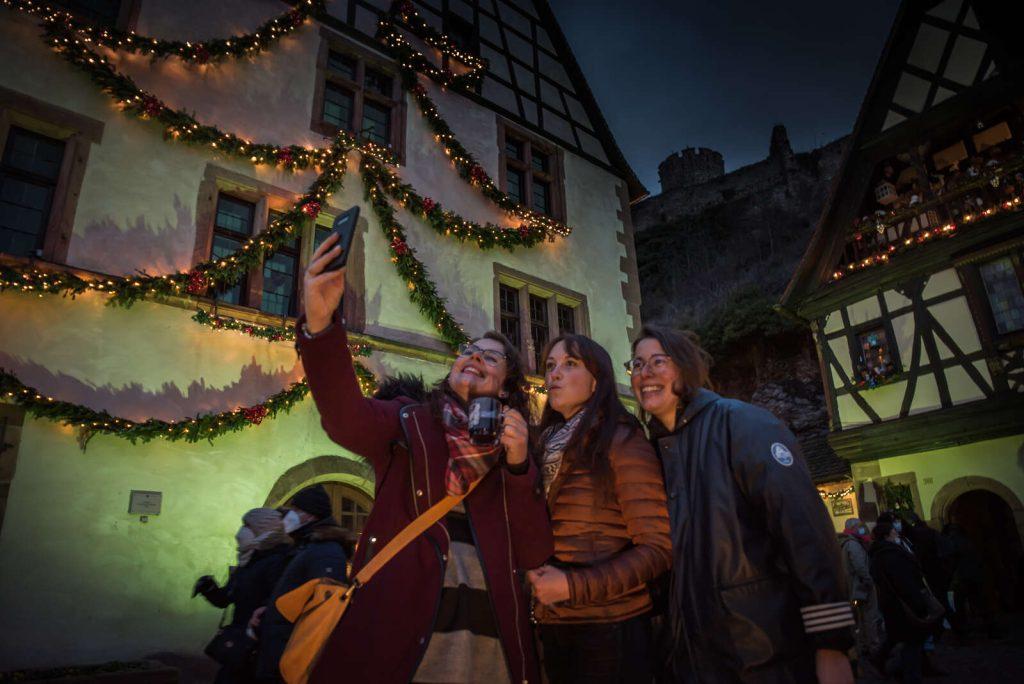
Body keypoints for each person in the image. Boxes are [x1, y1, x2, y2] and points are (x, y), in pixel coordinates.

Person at [290, 233, 554, 683]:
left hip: (490, 640)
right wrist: (320, 326)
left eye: (490, 356)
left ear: (507, 387)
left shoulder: (516, 454)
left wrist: (517, 466)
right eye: (468, 350)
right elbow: (346, 420)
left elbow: (535, 552)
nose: (473, 357)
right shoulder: (409, 422)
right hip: (403, 627)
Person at [628, 325, 855, 683]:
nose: (645, 373)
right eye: (637, 365)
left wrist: (832, 643)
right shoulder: (654, 451)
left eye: (659, 361)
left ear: (686, 367)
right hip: (694, 659)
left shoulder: (742, 424)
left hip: (762, 653)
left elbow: (804, 530)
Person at [527, 334, 672, 683]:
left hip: (611, 628)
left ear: (596, 382)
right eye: (550, 366)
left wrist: (574, 586)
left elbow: (658, 548)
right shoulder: (544, 444)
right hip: (555, 624)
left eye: (570, 364)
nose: (554, 375)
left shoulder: (621, 439)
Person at [255, 485, 350, 682]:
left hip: (288, 658)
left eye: (297, 510)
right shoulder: (307, 546)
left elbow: (322, 615)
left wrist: (293, 666)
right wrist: (268, 610)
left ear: (310, 515)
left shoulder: (326, 552)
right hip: (278, 650)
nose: (290, 515)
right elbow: (297, 595)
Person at [194, 508, 292, 684]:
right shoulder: (248, 560)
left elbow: (276, 603)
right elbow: (226, 599)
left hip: (258, 646)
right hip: (240, 642)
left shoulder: (279, 560)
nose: (242, 531)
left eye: (248, 525)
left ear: (263, 529)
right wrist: (209, 588)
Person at [869, 519, 932, 684]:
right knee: (912, 639)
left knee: (897, 636)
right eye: (893, 532)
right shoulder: (890, 554)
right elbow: (903, 582)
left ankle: (885, 663)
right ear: (887, 535)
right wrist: (917, 601)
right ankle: (909, 675)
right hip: (902, 603)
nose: (896, 534)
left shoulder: (880, 553)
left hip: (893, 603)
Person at [837, 518, 881, 671]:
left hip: (853, 588)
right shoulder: (853, 545)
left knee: (860, 618)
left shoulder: (844, 544)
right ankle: (873, 646)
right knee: (869, 616)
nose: (862, 529)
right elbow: (860, 566)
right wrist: (869, 581)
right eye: (859, 527)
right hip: (861, 587)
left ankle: (862, 645)